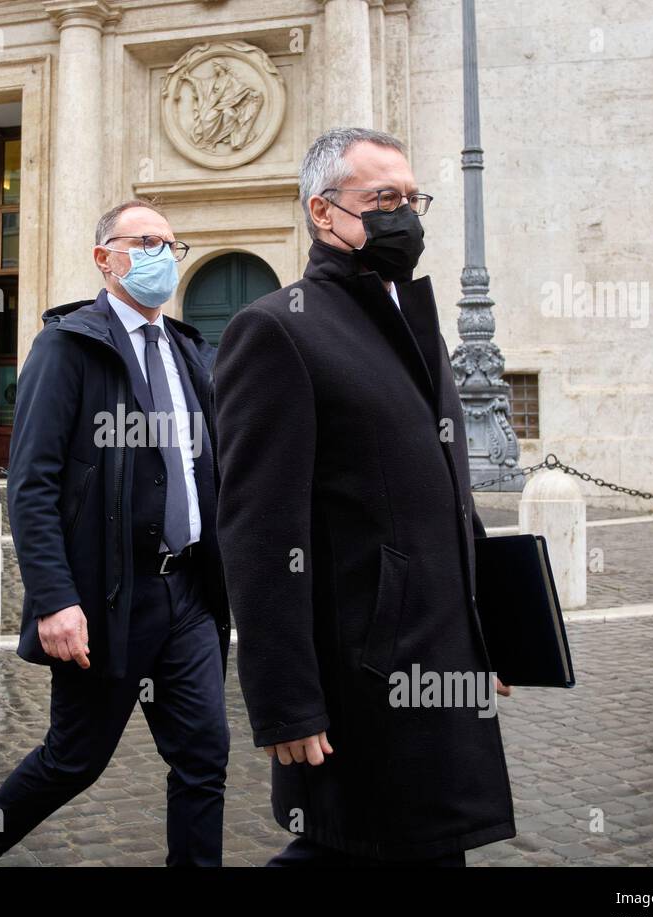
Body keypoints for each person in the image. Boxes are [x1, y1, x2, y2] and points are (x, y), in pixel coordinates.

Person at [213, 127, 515, 867]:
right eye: (384, 198)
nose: (403, 216)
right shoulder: (275, 331)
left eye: (413, 199)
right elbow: (256, 531)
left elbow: (451, 499)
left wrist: (492, 631)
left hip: (443, 656)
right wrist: (286, 700)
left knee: (429, 845)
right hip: (363, 671)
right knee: (357, 844)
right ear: (323, 212)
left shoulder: (417, 325)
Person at [0, 200, 231, 867]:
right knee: (74, 761)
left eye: (171, 244)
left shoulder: (189, 351)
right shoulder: (68, 346)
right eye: (146, 241)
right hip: (106, 600)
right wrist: (53, 600)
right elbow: (32, 483)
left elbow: (208, 467)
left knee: (204, 755)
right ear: (105, 258)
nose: (162, 255)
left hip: (186, 592)